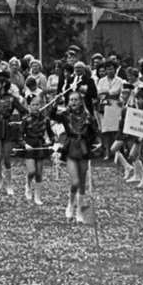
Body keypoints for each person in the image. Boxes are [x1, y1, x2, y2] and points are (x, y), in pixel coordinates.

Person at [54, 88, 99, 223]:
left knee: (82, 182)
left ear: (81, 102)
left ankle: (80, 210)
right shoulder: (65, 115)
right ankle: (70, 204)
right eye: (71, 100)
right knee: (75, 182)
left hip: (84, 148)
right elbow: (51, 115)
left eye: (76, 99)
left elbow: (95, 132)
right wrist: (55, 104)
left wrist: (93, 143)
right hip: (71, 147)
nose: (73, 102)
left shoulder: (88, 117)